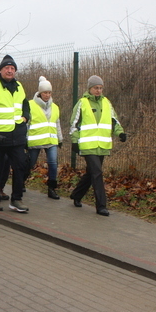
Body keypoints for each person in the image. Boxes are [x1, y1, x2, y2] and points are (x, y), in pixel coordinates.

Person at [70, 75, 126, 216]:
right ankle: (101, 205)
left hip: (102, 146)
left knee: (91, 173)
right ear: (90, 88)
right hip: (87, 145)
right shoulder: (82, 103)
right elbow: (74, 125)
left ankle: (76, 195)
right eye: (96, 88)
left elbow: (114, 121)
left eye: (101, 88)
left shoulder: (107, 103)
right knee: (97, 173)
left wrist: (120, 133)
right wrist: (75, 141)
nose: (99, 90)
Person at [0, 54, 30, 213]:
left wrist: (26, 117)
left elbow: (25, 105)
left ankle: (16, 199)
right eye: (7, 68)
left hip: (17, 135)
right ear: (0, 71)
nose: (10, 71)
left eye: (12, 68)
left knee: (20, 166)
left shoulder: (19, 86)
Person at [27, 76, 63, 200]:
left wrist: (60, 138)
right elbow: (27, 123)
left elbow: (57, 123)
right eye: (45, 92)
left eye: (49, 92)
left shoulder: (55, 107)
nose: (47, 95)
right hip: (35, 141)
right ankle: (20, 182)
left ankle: (51, 188)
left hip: (51, 141)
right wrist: (24, 139)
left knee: (53, 163)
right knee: (30, 163)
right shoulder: (30, 105)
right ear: (39, 93)